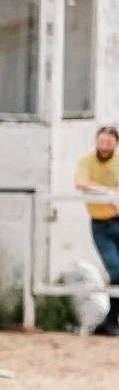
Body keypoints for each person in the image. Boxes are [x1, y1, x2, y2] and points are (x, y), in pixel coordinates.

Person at [76, 124, 119, 336]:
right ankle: (111, 320)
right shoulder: (87, 161)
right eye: (101, 142)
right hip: (101, 224)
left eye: (109, 143)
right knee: (116, 271)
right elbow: (80, 182)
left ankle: (112, 321)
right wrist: (108, 193)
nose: (104, 146)